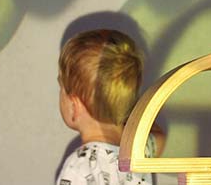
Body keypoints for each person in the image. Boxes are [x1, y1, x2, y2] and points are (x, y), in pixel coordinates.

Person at [56, 27, 164, 185]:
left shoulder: (77, 168)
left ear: (74, 106)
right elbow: (160, 137)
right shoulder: (140, 148)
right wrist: (131, 118)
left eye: (61, 88)